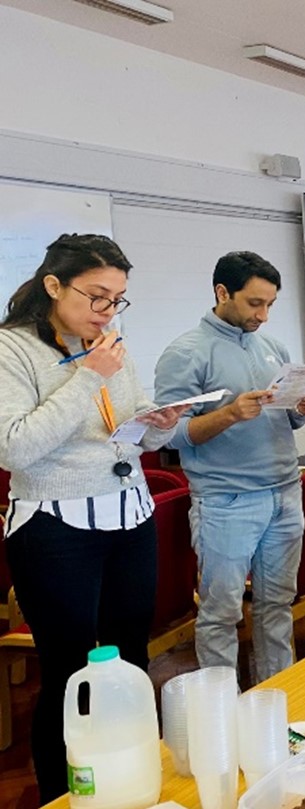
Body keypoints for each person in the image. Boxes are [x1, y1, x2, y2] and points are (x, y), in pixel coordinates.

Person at [0, 234, 185, 802]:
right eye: (97, 297)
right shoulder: (13, 350)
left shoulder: (107, 340)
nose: (107, 311)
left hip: (129, 515)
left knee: (131, 656)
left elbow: (126, 433)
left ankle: (131, 781)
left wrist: (161, 422)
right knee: (69, 670)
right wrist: (87, 377)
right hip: (55, 528)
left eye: (117, 299)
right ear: (54, 286)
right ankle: (66, 793)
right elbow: (15, 449)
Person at [154, 251, 305, 681]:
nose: (263, 315)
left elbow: (287, 418)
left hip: (285, 491)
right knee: (221, 613)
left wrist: (304, 408)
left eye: (270, 304)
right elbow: (167, 435)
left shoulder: (272, 346)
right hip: (226, 501)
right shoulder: (186, 353)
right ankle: (222, 713)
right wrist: (228, 414)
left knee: (278, 605)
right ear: (222, 292)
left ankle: (278, 695)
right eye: (254, 304)